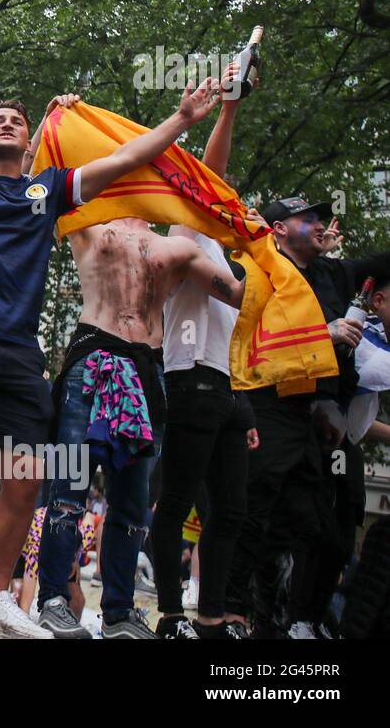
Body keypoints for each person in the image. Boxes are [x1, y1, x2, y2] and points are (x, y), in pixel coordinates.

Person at [0, 76, 228, 636]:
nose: (6, 123)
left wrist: (183, 119)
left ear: (31, 142)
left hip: (19, 353)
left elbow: (128, 157)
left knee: (28, 475)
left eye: (17, 119)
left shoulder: (51, 191)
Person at [35, 204, 246, 639]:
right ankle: (52, 599)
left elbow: (237, 294)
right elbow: (42, 179)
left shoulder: (175, 245)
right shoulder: (88, 223)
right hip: (87, 361)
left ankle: (118, 610)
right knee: (66, 490)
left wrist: (259, 244)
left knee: (132, 502)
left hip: (147, 374)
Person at [224, 201, 390, 634]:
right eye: (308, 219)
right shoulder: (264, 269)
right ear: (278, 229)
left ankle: (272, 620)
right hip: (265, 402)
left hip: (310, 418)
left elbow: (383, 260)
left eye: (321, 219)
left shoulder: (336, 274)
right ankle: (228, 614)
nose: (319, 224)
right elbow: (256, 336)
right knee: (253, 512)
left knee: (305, 523)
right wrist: (326, 332)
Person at [149, 81, 258, 639]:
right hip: (189, 379)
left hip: (228, 390)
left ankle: (213, 617)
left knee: (231, 511)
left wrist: (248, 410)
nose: (229, 199)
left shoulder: (228, 251)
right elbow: (210, 175)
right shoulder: (186, 230)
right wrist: (230, 109)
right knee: (178, 501)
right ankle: (170, 613)